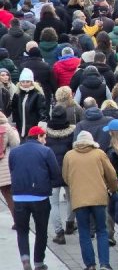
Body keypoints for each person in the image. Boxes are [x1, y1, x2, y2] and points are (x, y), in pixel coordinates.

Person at [61, 130, 118, 270]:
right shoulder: (99, 154)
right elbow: (111, 174)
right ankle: (104, 264)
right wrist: (113, 189)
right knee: (102, 230)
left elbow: (66, 176)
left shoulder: (69, 155)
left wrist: (76, 186)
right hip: (99, 198)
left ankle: (90, 265)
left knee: (84, 232)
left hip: (79, 199)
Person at [8, 125, 60, 270]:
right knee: (41, 231)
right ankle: (39, 262)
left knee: (22, 230)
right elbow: (55, 173)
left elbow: (12, 169)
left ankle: (25, 259)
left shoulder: (15, 152)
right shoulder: (46, 151)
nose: (45, 141)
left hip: (19, 197)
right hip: (39, 197)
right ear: (38, 136)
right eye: (44, 138)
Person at [43, 105, 75, 244]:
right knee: (71, 199)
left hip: (52, 172)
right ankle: (70, 224)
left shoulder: (46, 133)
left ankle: (59, 232)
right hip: (68, 171)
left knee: (54, 203)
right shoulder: (72, 132)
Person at [10, 68, 47, 138]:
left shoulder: (37, 94)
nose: (25, 84)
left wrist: (42, 122)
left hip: (33, 125)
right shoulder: (17, 94)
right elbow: (14, 109)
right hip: (20, 125)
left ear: (31, 82)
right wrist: (14, 122)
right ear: (20, 82)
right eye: (23, 81)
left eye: (27, 81)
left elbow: (42, 109)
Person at [0, 112, 20, 214]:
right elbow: (15, 143)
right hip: (4, 166)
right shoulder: (6, 127)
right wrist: (15, 132)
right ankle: (17, 220)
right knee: (9, 196)